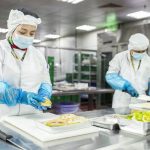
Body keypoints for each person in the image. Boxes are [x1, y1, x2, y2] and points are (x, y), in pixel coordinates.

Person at [0, 8, 52, 117]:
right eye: (22, 32)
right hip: (5, 116)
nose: (27, 36)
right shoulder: (1, 49)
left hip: (33, 115)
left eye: (32, 33)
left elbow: (46, 82)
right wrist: (21, 96)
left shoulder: (37, 55)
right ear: (12, 29)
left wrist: (45, 94)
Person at [105, 33, 150, 108]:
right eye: (137, 51)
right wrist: (125, 86)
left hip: (141, 100)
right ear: (130, 48)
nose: (140, 53)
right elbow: (110, 76)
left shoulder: (148, 60)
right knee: (121, 118)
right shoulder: (120, 57)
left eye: (143, 51)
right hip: (122, 100)